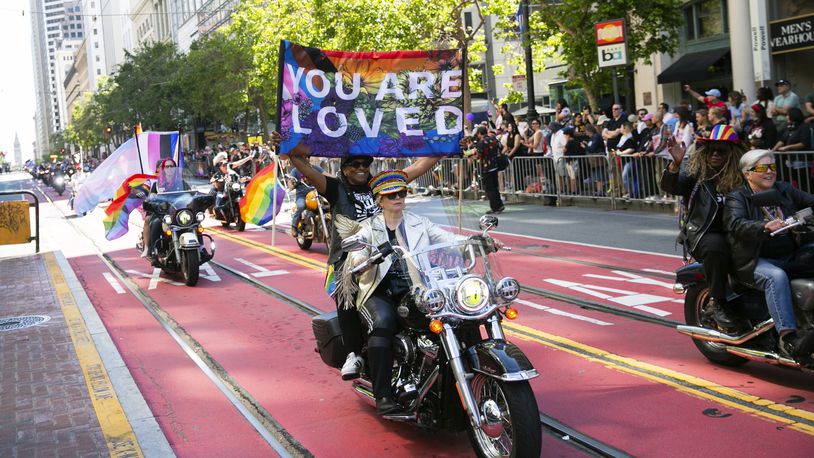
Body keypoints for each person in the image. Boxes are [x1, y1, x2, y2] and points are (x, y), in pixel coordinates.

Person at [275, 132, 442, 381]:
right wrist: (285, 147)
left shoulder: (383, 184)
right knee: (346, 293)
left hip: (388, 255)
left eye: (366, 164)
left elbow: (419, 166)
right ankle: (354, 353)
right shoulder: (335, 188)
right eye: (355, 165)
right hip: (348, 259)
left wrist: (445, 146)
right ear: (345, 169)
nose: (362, 168)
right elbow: (306, 169)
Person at [340, 170, 467, 414]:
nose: (398, 198)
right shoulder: (369, 227)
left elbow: (447, 238)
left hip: (417, 290)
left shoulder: (419, 222)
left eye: (401, 193)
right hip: (381, 291)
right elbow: (357, 250)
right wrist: (363, 260)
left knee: (454, 316)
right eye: (391, 195)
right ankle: (384, 395)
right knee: (383, 324)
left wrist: (476, 241)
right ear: (379, 200)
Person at [724, 149, 814, 360]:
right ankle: (790, 338)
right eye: (763, 168)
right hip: (753, 258)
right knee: (776, 277)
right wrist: (764, 226)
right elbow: (736, 224)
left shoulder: (782, 189)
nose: (770, 172)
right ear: (747, 173)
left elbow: (809, 199)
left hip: (789, 253)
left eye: (772, 167)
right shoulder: (738, 196)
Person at [661, 124, 746, 331]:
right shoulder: (697, 173)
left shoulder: (743, 177)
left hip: (740, 230)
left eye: (721, 150)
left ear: (733, 154)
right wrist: (675, 165)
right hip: (704, 232)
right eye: (711, 149)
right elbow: (672, 187)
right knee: (717, 248)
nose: (715, 154)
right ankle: (717, 303)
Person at [141, 158, 191, 259]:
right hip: (164, 214)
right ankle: (154, 251)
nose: (169, 169)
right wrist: (152, 198)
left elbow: (191, 195)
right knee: (155, 223)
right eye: (167, 167)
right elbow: (151, 199)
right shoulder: (157, 184)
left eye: (171, 166)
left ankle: (202, 248)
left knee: (194, 222)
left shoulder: (182, 183)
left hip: (179, 213)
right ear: (163, 169)